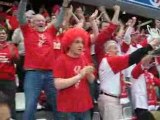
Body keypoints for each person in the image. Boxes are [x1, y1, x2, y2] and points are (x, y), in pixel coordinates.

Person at [17, 0, 70, 119]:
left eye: (43, 20)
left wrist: (64, 6)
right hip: (33, 74)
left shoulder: (50, 32)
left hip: (50, 74)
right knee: (30, 105)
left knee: (57, 104)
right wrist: (23, 2)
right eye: (38, 20)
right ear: (32, 23)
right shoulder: (27, 31)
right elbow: (20, 16)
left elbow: (59, 20)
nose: (41, 22)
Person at [97, 38, 160, 120]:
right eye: (115, 48)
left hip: (113, 99)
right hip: (110, 100)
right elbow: (132, 58)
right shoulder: (110, 60)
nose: (117, 51)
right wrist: (150, 46)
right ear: (107, 51)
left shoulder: (109, 62)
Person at [54, 27, 96, 120]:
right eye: (77, 42)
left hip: (84, 106)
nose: (81, 45)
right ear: (69, 44)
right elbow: (57, 84)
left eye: (82, 42)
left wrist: (88, 72)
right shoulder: (61, 60)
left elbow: (92, 80)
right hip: (68, 109)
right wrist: (79, 76)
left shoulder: (83, 58)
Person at [0, 26, 19, 119]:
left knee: (11, 103)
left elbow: (17, 61)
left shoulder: (12, 46)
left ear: (7, 35)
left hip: (9, 80)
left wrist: (14, 55)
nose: (2, 35)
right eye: (0, 33)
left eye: (3, 33)